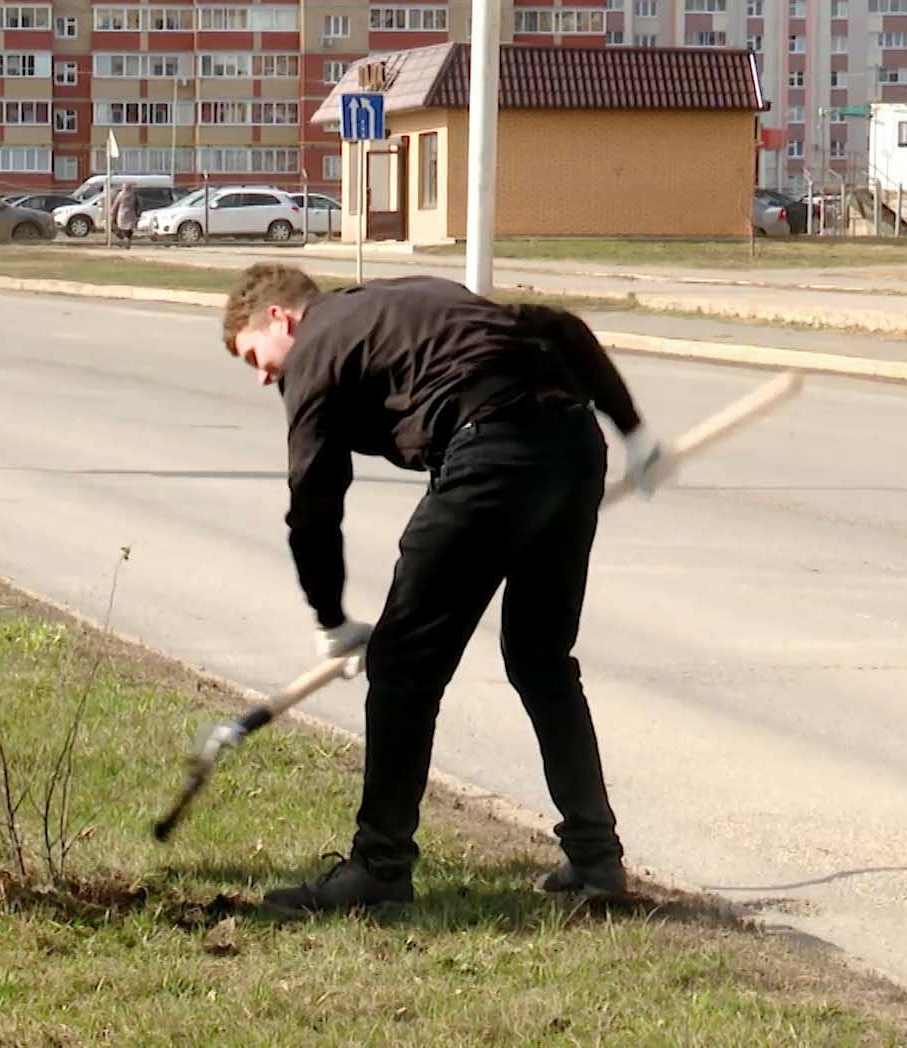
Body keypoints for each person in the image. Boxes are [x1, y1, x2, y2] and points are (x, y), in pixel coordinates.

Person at [218, 265, 666, 915]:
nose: (263, 376)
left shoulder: (316, 347)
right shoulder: (399, 297)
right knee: (541, 660)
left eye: (255, 357)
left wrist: (331, 621)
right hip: (572, 444)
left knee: (403, 665)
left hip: (494, 450)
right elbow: (559, 327)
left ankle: (378, 869)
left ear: (281, 319)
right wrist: (631, 430)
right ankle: (596, 859)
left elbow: (314, 499)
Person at [109, 183, 140, 248]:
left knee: (122, 228)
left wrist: (112, 211)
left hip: (122, 214)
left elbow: (116, 204)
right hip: (131, 214)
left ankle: (125, 240)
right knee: (129, 229)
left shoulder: (121, 194)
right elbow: (137, 205)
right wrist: (137, 214)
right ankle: (127, 240)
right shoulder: (133, 195)